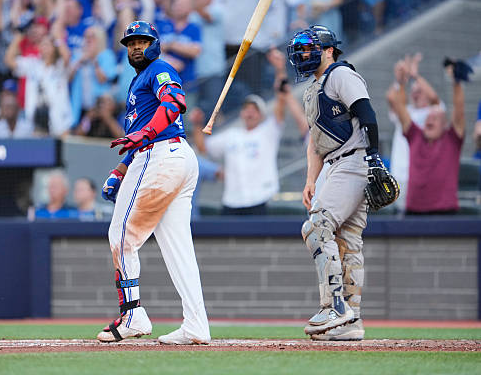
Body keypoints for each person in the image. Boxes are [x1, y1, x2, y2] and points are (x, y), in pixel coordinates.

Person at [96, 21, 210, 345]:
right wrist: (121, 169)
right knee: (178, 248)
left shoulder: (159, 68)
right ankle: (196, 325)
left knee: (121, 235)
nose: (136, 47)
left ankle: (132, 315)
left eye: (142, 41)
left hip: (161, 155)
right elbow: (139, 135)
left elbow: (173, 102)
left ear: (155, 44)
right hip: (170, 157)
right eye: (131, 43)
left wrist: (146, 134)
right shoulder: (138, 81)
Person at [287, 25, 389, 340]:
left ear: (329, 50)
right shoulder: (312, 89)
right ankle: (351, 321)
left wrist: (374, 158)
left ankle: (334, 306)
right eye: (301, 49)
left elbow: (367, 114)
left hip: (354, 160)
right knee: (348, 241)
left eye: (310, 48)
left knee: (316, 227)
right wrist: (311, 180)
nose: (304, 54)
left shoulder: (341, 74)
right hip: (335, 164)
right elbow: (315, 142)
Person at [189, 49, 303, 216]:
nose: (250, 113)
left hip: (261, 199)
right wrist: (197, 124)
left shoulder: (268, 131)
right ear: (241, 114)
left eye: (254, 109)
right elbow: (203, 147)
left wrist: (280, 69)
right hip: (232, 202)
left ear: (261, 115)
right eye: (246, 109)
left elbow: (281, 98)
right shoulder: (231, 135)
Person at [386, 56, 466, 215]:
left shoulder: (451, 139)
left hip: (445, 212)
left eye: (435, 118)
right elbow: (398, 105)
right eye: (428, 118)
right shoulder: (415, 135)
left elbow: (459, 111)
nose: (429, 119)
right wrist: (400, 82)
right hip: (413, 212)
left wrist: (456, 83)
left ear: (444, 124)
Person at [386, 53, 442, 213]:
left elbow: (434, 97)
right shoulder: (405, 111)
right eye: (414, 90)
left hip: (424, 177)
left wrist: (415, 75)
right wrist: (400, 80)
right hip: (400, 175)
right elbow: (391, 98)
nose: (416, 93)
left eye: (420, 90)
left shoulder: (434, 113)